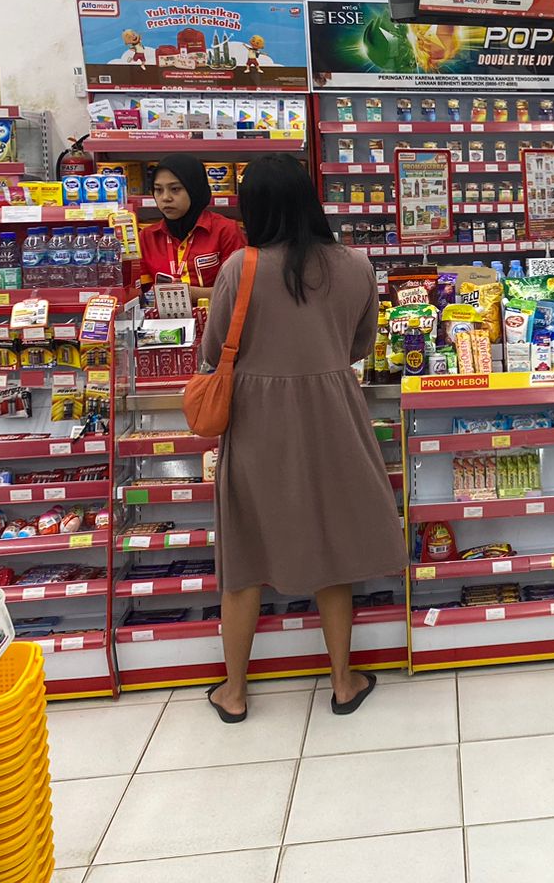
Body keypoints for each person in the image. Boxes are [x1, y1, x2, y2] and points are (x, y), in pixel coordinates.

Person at [199, 154, 404, 721]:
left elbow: (214, 351)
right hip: (333, 415)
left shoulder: (240, 267)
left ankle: (234, 692)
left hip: (257, 421)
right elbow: (361, 345)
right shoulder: (356, 264)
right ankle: (342, 682)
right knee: (331, 548)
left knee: (244, 557)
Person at [139, 154, 246, 303]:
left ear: (194, 189)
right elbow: (142, 291)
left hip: (216, 316)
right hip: (161, 318)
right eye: (158, 190)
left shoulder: (225, 230)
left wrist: (188, 293)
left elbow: (240, 291)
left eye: (175, 189)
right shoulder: (147, 237)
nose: (165, 197)